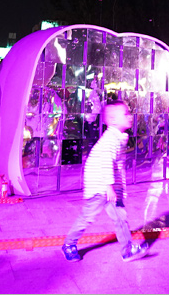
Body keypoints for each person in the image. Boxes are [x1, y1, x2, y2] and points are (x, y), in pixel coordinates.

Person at [61, 101, 149, 262]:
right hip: (99, 185)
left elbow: (117, 166)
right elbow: (106, 161)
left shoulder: (119, 137)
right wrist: (109, 186)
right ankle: (68, 244)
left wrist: (118, 188)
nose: (130, 116)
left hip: (110, 187)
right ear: (114, 120)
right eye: (126, 114)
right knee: (87, 217)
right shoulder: (110, 139)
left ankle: (127, 250)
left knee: (120, 217)